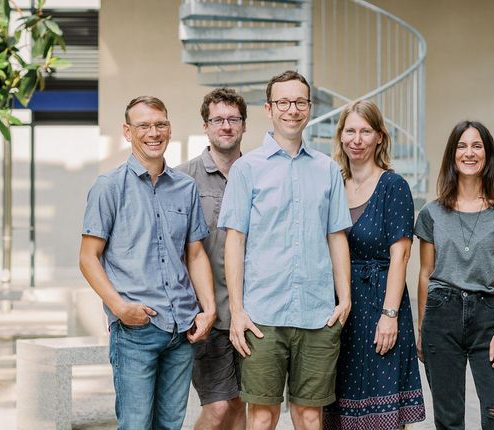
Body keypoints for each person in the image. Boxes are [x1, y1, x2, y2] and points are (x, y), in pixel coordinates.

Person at [218, 70, 352, 430]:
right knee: (262, 416)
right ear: (269, 108)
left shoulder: (327, 170)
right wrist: (237, 309)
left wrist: (345, 300)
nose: (292, 109)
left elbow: (336, 236)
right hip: (262, 317)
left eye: (300, 101)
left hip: (317, 313)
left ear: (309, 107)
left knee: (310, 416)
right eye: (283, 102)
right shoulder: (246, 169)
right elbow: (235, 240)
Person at [79, 96, 216, 429]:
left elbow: (195, 252)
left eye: (160, 124)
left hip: (182, 328)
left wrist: (209, 308)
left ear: (169, 128)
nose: (153, 133)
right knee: (136, 424)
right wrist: (120, 308)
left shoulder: (186, 187)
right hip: (135, 329)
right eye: (143, 126)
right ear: (127, 132)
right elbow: (88, 257)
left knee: (170, 424)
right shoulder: (108, 187)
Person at [415, 120, 494, 429]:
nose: (469, 153)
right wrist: (422, 328)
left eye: (477, 146)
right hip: (442, 314)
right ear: (452, 155)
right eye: (462, 146)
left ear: (488, 154)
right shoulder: (431, 213)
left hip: (489, 314)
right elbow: (425, 274)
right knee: (449, 419)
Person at [323, 100, 425, 429]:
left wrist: (390, 315)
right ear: (340, 137)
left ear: (379, 137)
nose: (357, 138)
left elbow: (402, 255)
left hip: (381, 300)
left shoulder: (393, 187)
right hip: (341, 305)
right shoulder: (333, 185)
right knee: (337, 403)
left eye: (365, 131)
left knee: (382, 412)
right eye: (350, 130)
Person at [177, 88, 247, 430]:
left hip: (252, 313)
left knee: (240, 404)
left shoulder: (257, 174)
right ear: (205, 126)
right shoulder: (182, 178)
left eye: (233, 119)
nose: (226, 126)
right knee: (217, 406)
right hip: (207, 314)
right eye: (218, 119)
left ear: (244, 126)